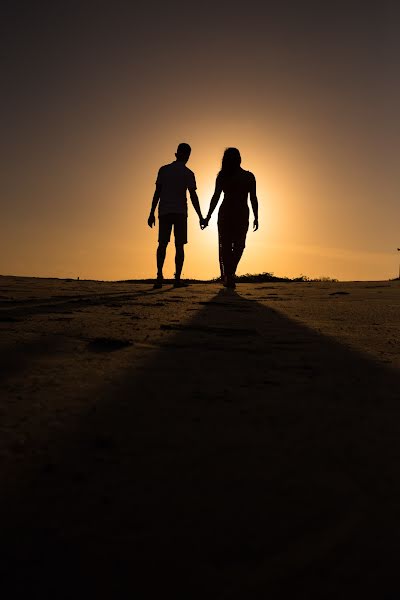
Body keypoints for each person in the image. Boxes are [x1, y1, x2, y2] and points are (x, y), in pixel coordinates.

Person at [148, 143, 203, 288]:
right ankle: (176, 279)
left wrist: (151, 212)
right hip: (179, 213)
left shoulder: (164, 170)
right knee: (179, 246)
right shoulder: (188, 173)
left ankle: (160, 276)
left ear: (176, 154)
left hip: (165, 212)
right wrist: (200, 216)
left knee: (163, 244)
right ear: (187, 156)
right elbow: (193, 196)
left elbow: (157, 193)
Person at [202, 147, 258, 288]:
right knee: (233, 245)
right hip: (233, 213)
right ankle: (230, 274)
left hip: (233, 214)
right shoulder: (225, 176)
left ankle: (229, 273)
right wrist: (208, 216)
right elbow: (216, 196)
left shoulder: (246, 176)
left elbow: (253, 198)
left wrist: (257, 216)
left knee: (232, 245)